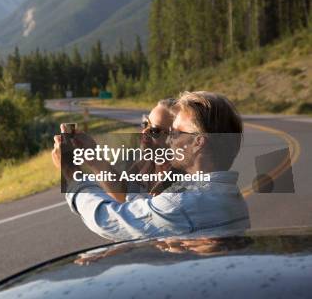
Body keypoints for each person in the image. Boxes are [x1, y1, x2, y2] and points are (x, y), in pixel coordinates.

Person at [53, 91, 250, 241]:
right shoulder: (227, 194)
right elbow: (137, 204)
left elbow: (108, 219)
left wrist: (70, 174)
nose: (170, 139)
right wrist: (92, 157)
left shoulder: (183, 203)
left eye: (175, 132)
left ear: (198, 142)